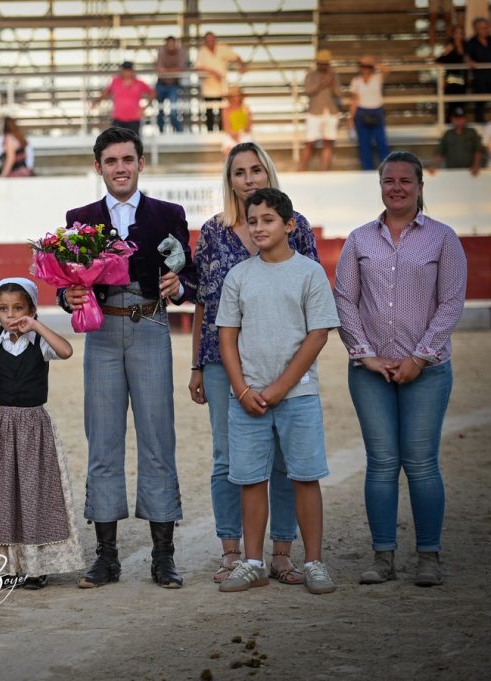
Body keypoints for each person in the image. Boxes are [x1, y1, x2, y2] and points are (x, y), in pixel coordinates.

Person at [60, 126, 196, 590]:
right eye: (111, 161)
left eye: (127, 159)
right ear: (98, 167)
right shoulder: (80, 217)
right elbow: (67, 282)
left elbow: (188, 274)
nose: (120, 168)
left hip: (151, 325)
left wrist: (179, 287)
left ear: (141, 163)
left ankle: (163, 556)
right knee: (103, 439)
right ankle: (107, 557)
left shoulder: (168, 214)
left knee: (158, 436)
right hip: (101, 332)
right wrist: (68, 297)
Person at [334, 151, 467, 587]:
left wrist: (419, 357)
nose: (396, 187)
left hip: (426, 371)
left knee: (422, 463)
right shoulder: (359, 240)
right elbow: (344, 300)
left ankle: (429, 556)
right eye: (389, 180)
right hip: (369, 371)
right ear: (380, 186)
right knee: (381, 463)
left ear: (420, 186)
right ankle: (383, 557)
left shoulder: (443, 238)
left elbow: (451, 303)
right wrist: (365, 354)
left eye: (405, 180)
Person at [190, 142, 319, 587]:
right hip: (219, 358)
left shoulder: (297, 226)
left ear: (268, 173)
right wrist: (195, 365)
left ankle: (281, 553)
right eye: (240, 172)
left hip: (282, 358)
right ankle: (233, 552)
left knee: (283, 459)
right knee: (228, 457)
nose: (249, 179)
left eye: (256, 170)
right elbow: (204, 302)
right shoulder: (214, 231)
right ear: (229, 180)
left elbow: (310, 297)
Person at [215, 188, 341, 596]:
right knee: (251, 480)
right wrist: (241, 390)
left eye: (268, 220)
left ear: (289, 225)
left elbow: (318, 335)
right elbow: (226, 338)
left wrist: (280, 387)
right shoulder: (239, 276)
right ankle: (253, 563)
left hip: (297, 397)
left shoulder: (309, 273)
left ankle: (314, 561)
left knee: (304, 476)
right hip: (248, 399)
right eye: (252, 221)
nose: (258, 227)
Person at [0, 278, 85, 589]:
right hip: (1, 427)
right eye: (3, 309)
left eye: (18, 308)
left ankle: (36, 566)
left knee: (34, 493)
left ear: (31, 310)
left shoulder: (39, 344)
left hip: (34, 427)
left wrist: (37, 326)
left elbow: (66, 350)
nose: (11, 315)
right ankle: (6, 565)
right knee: (2, 495)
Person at [299, 49, 341, 172]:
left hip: (331, 112)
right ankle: (302, 169)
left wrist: (331, 83)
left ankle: (324, 170)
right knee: (310, 141)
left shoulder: (334, 76)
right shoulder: (310, 75)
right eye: (321, 63)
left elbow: (338, 93)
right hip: (314, 112)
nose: (323, 65)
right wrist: (323, 83)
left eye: (325, 63)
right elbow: (308, 91)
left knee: (328, 142)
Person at [195, 32, 246, 132]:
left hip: (221, 86)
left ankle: (223, 130)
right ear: (205, 41)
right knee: (209, 111)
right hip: (208, 86)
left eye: (212, 39)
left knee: (223, 111)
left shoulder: (223, 49)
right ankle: (210, 132)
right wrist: (214, 72)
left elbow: (236, 57)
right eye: (208, 39)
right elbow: (198, 68)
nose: (210, 41)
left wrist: (242, 66)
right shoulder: (202, 52)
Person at [349, 55, 390, 171]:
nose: (365, 68)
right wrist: (351, 117)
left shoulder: (377, 77)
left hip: (377, 111)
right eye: (362, 66)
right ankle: (367, 170)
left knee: (381, 142)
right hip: (361, 112)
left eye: (367, 66)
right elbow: (354, 100)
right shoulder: (356, 81)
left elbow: (388, 70)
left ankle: (387, 170)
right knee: (364, 144)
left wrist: (373, 62)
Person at [93, 61, 154, 135]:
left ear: (132, 71)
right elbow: (106, 93)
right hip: (118, 118)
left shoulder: (139, 83)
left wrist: (145, 107)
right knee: (116, 140)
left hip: (134, 119)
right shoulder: (115, 81)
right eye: (125, 70)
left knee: (133, 141)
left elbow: (152, 93)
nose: (126, 73)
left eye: (128, 70)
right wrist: (96, 100)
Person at [430, 105, 485, 174]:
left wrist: (476, 164)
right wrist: (434, 166)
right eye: (456, 118)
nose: (459, 121)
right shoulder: (447, 134)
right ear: (452, 119)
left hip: (469, 172)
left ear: (465, 119)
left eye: (461, 118)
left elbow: (478, 150)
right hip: (452, 172)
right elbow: (440, 153)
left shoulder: (472, 133)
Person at [436, 26, 469, 123]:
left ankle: (460, 123)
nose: (459, 35)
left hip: (463, 78)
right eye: (457, 33)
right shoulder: (450, 45)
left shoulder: (466, 45)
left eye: (461, 33)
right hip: (451, 78)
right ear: (453, 35)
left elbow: (468, 59)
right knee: (452, 104)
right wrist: (446, 52)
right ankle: (448, 123)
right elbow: (439, 60)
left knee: (461, 103)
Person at [154, 36, 186, 133]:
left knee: (174, 110)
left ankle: (178, 132)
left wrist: (166, 71)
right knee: (160, 109)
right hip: (161, 83)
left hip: (174, 84)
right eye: (169, 44)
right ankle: (160, 132)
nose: (171, 46)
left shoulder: (180, 51)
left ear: (175, 44)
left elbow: (181, 68)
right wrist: (173, 70)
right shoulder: (161, 51)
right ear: (166, 44)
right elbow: (159, 69)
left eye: (173, 43)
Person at [465, 17, 491, 123]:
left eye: (487, 27)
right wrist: (469, 61)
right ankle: (480, 123)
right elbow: (466, 56)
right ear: (476, 29)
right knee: (479, 103)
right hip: (480, 77)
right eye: (482, 28)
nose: (486, 30)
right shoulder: (471, 42)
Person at [221, 86, 252, 154]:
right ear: (230, 98)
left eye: (238, 95)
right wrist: (235, 137)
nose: (236, 98)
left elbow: (248, 126)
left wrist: (240, 134)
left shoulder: (246, 108)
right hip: (230, 135)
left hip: (244, 134)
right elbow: (226, 127)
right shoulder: (226, 110)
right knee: (230, 150)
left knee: (246, 149)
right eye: (234, 96)